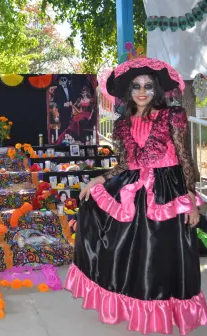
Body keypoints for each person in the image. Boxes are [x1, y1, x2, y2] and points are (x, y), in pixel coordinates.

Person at [65, 58, 207, 335]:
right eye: (136, 87)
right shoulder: (122, 124)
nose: (142, 92)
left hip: (167, 190)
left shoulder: (172, 116)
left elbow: (184, 159)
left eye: (148, 86)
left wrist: (189, 197)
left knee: (164, 252)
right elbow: (125, 163)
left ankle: (164, 308)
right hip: (131, 188)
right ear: (128, 92)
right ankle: (130, 306)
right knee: (127, 250)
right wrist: (99, 178)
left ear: (157, 90)